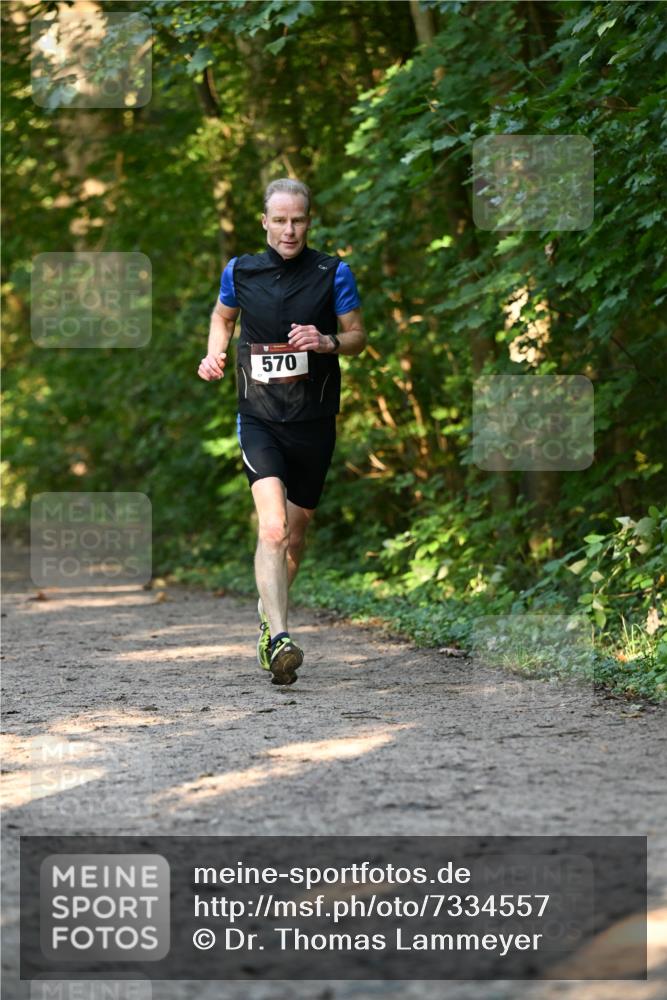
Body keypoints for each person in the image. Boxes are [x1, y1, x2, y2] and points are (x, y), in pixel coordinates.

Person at [198, 178, 366, 686]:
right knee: (271, 528)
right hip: (260, 416)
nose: (289, 230)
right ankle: (280, 638)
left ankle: (266, 615)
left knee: (295, 535)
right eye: (280, 220)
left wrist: (326, 340)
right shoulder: (240, 270)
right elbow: (222, 316)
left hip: (313, 420)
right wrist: (213, 352)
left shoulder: (332, 272)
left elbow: (358, 336)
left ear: (308, 222)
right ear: (265, 222)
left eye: (298, 220)